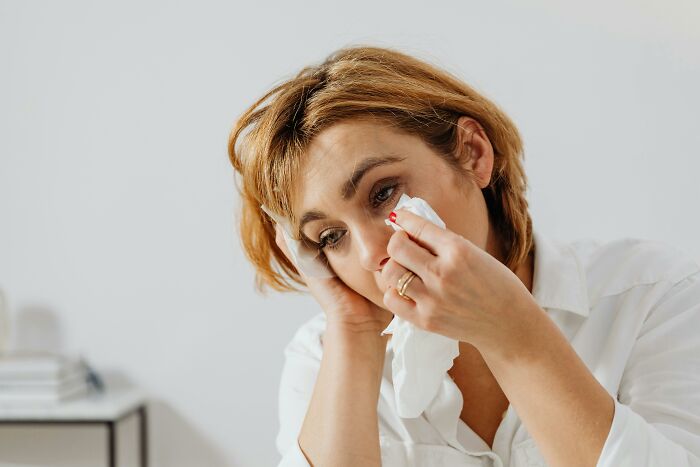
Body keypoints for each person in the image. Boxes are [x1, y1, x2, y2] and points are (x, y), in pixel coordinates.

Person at [227, 45, 700, 466]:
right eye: (331, 237)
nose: (372, 254)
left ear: (473, 154)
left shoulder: (651, 296)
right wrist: (353, 332)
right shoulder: (322, 358)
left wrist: (512, 333)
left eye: (384, 193)